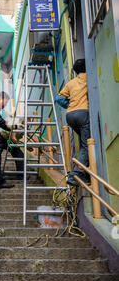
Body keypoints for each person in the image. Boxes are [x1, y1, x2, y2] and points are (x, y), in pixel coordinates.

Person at [58, 58, 91, 186]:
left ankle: (85, 174)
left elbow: (59, 98)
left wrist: (71, 104)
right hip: (83, 114)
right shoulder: (90, 77)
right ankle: (75, 174)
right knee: (86, 145)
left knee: (84, 145)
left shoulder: (71, 83)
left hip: (70, 115)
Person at [0, 91, 25, 188]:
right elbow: (8, 127)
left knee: (19, 154)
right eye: (5, 102)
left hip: (7, 140)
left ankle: (20, 174)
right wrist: (13, 137)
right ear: (0, 99)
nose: (5, 105)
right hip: (1, 138)